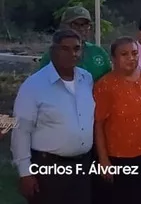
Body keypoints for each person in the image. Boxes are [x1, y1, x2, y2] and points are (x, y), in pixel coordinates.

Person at [12, 30, 95, 204]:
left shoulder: (86, 79)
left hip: (82, 167)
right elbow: (21, 131)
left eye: (77, 49)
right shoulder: (34, 86)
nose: (72, 54)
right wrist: (25, 173)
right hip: (48, 169)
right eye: (65, 49)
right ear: (53, 51)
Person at [93, 37, 141, 204]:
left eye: (134, 53)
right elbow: (99, 124)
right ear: (113, 58)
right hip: (121, 157)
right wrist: (103, 160)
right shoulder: (105, 85)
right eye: (124, 54)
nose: (131, 58)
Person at [38, 6, 111, 81]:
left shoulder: (98, 52)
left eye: (85, 24)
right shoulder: (53, 55)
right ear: (63, 26)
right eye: (75, 24)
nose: (81, 29)